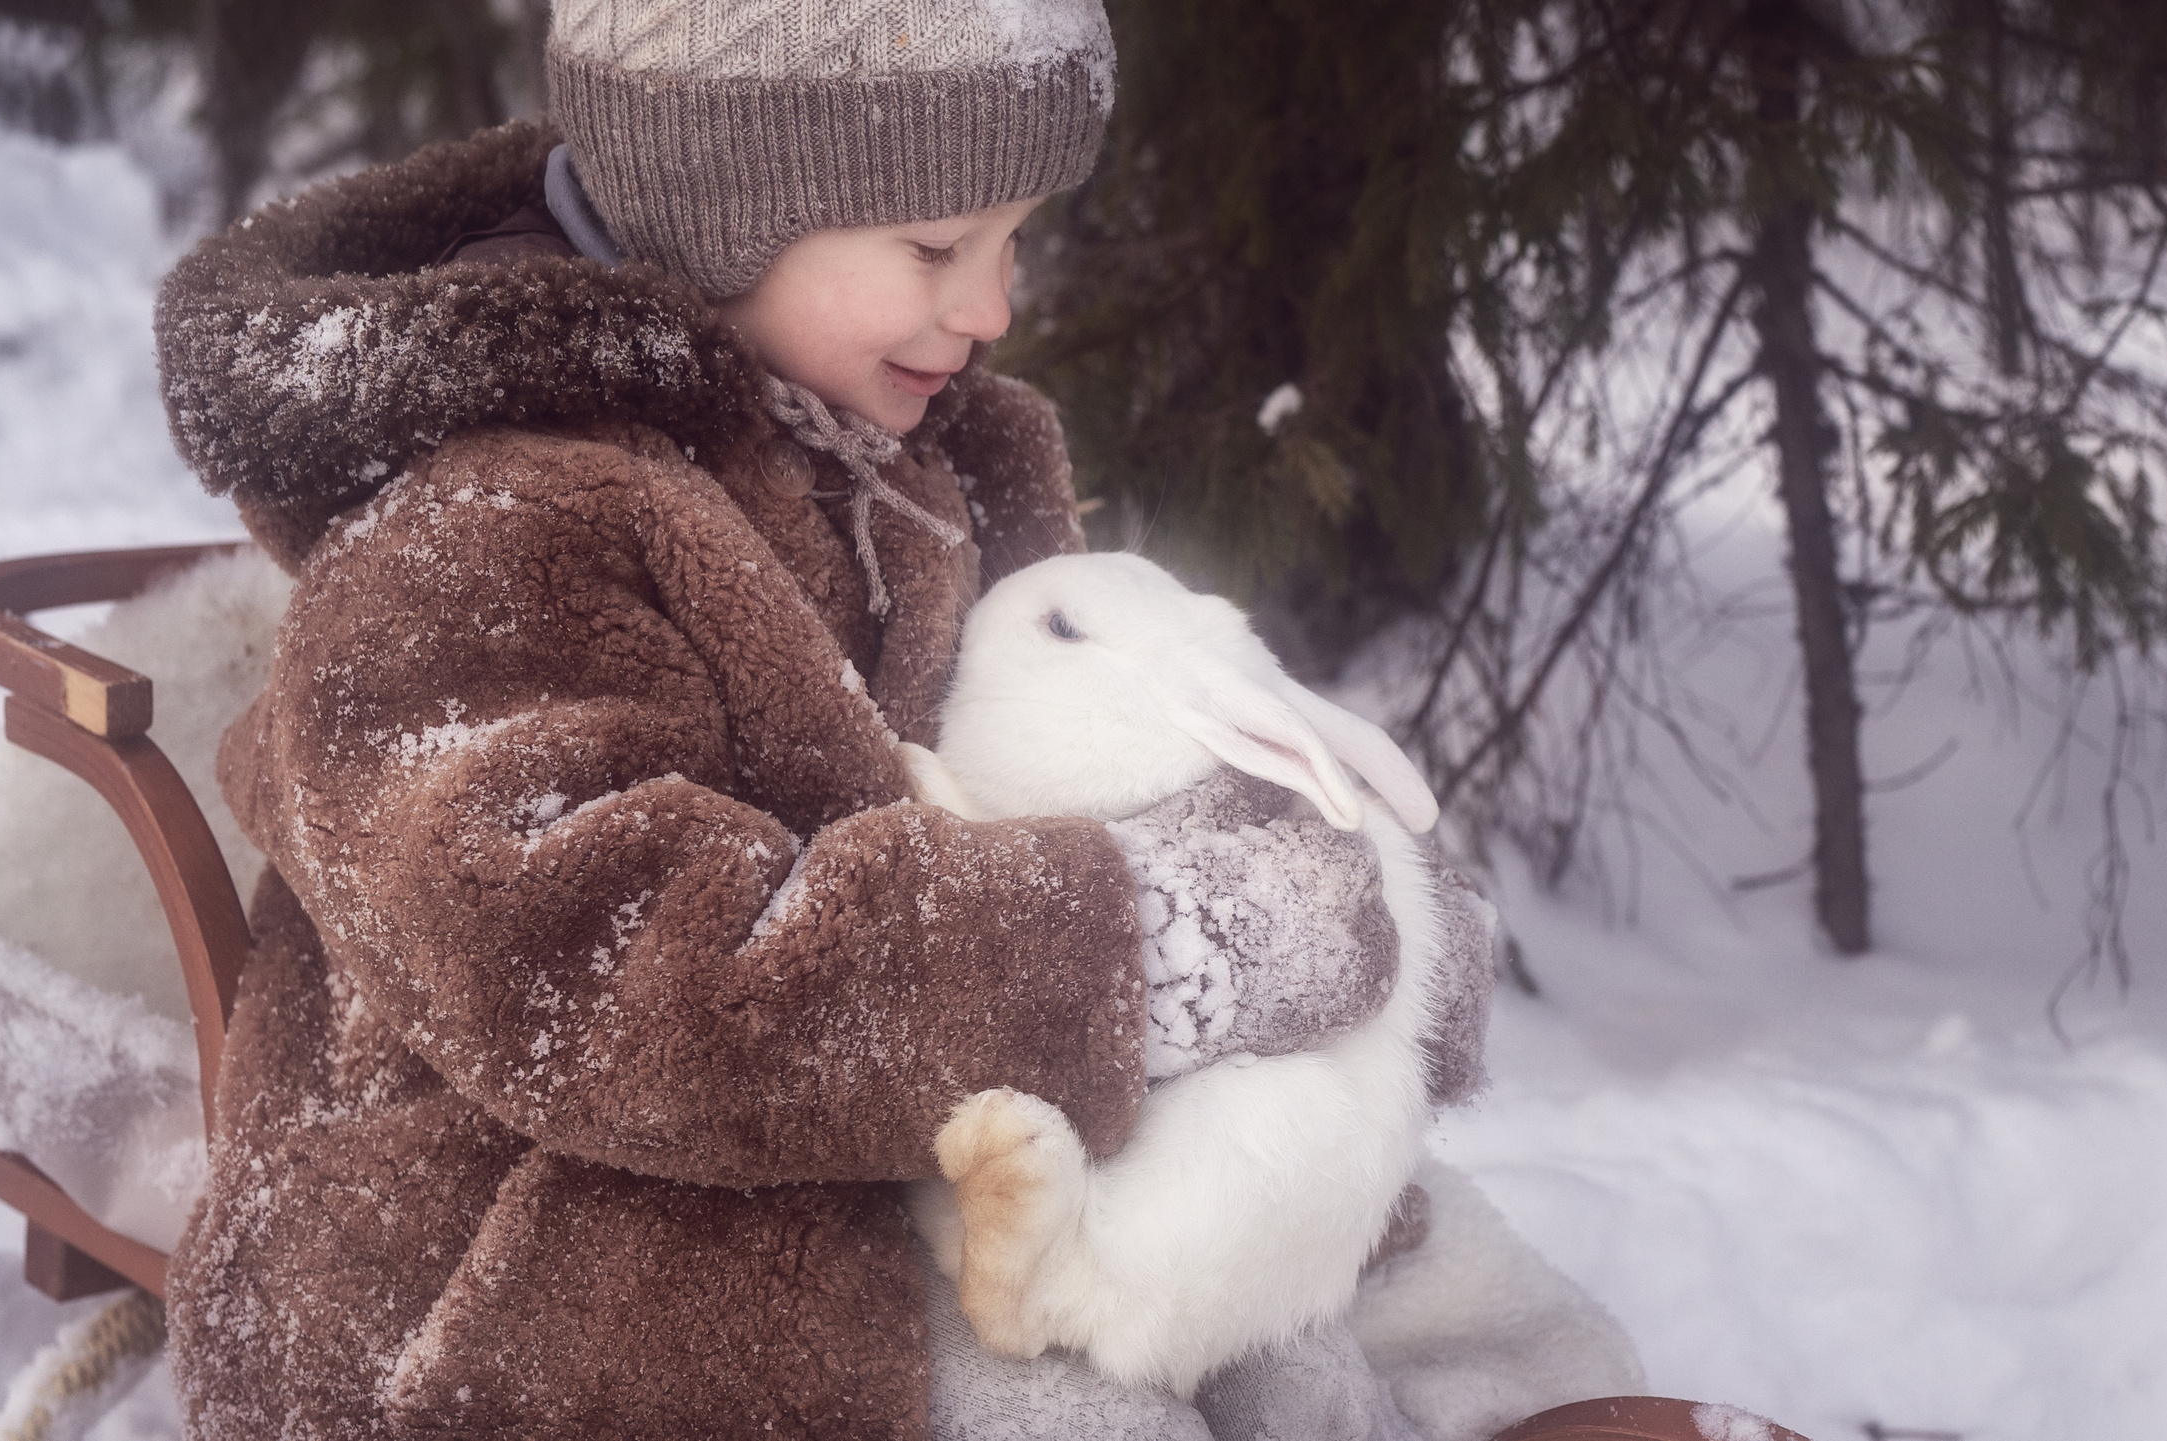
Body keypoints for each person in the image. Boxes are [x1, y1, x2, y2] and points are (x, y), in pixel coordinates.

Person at [154, 3, 1796, 1438]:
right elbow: (635, 977)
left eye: (1014, 241)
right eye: (940, 249)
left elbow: (1100, 748)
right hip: (529, 1254)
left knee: (1326, 1352)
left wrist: (1353, 931)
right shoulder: (481, 526)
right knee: (1082, 1415)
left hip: (910, 1164)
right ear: (726, 210)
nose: (997, 303)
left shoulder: (931, 471)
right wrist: (1160, 954)